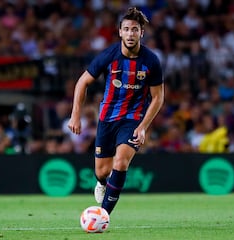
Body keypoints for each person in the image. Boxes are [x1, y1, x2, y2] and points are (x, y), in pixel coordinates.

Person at [67, 7, 164, 215]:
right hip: (107, 119)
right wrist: (76, 115)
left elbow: (158, 97)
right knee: (102, 172)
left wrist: (144, 127)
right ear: (120, 32)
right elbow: (82, 82)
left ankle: (103, 215)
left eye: (135, 30)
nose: (131, 34)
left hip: (133, 120)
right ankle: (102, 183)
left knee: (121, 161)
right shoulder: (108, 56)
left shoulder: (151, 61)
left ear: (142, 33)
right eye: (127, 29)